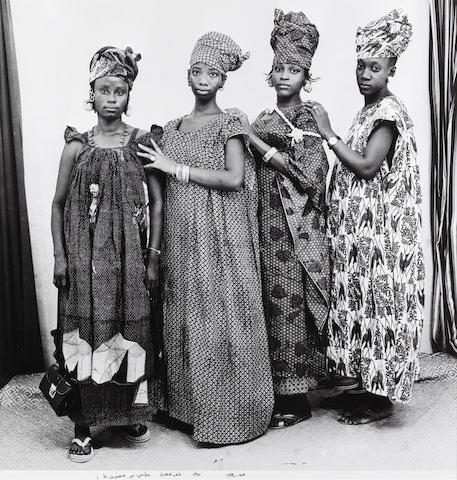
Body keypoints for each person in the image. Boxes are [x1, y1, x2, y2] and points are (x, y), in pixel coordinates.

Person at [137, 31, 274, 445]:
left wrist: (175, 167)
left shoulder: (229, 123)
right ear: (188, 74)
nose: (203, 80)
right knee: (185, 315)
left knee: (221, 315)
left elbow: (234, 179)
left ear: (222, 80)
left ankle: (229, 415)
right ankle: (187, 409)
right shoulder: (172, 128)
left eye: (212, 74)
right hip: (182, 235)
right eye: (197, 71)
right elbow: (156, 187)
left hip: (221, 235)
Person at [304, 9, 425, 424]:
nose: (365, 74)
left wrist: (328, 132)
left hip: (382, 237)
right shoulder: (369, 110)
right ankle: (363, 391)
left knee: (379, 310)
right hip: (362, 236)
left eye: (375, 67)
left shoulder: (387, 113)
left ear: (391, 70)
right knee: (362, 310)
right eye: (361, 65)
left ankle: (380, 401)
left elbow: (369, 166)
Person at [51, 46, 164, 462]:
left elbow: (157, 203)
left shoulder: (142, 143)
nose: (111, 98)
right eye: (104, 90)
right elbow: (58, 204)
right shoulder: (76, 147)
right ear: (92, 93)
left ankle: (127, 414)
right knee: (85, 333)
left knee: (128, 331)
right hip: (84, 260)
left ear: (129, 94)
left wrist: (152, 257)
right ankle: (82, 424)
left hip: (130, 259)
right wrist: (60, 257)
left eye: (120, 90)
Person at [227, 9, 330, 429]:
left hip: (297, 228)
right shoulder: (265, 119)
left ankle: (299, 396)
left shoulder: (309, 117)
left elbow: (309, 175)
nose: (285, 76)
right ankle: (278, 391)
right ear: (270, 73)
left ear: (306, 76)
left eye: (294, 70)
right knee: (272, 305)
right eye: (279, 68)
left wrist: (253, 139)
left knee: (293, 304)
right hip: (264, 224)